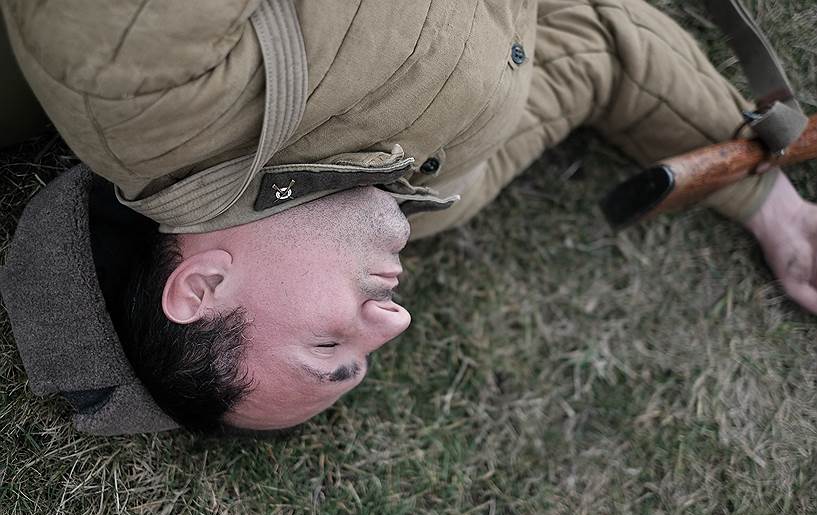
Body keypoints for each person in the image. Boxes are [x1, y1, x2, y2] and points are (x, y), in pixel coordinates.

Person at [1, 0, 815, 435]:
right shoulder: (434, 203)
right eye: (369, 355)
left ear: (203, 286)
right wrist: (764, 198)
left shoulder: (141, 89)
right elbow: (595, 41)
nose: (394, 321)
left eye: (330, 347)